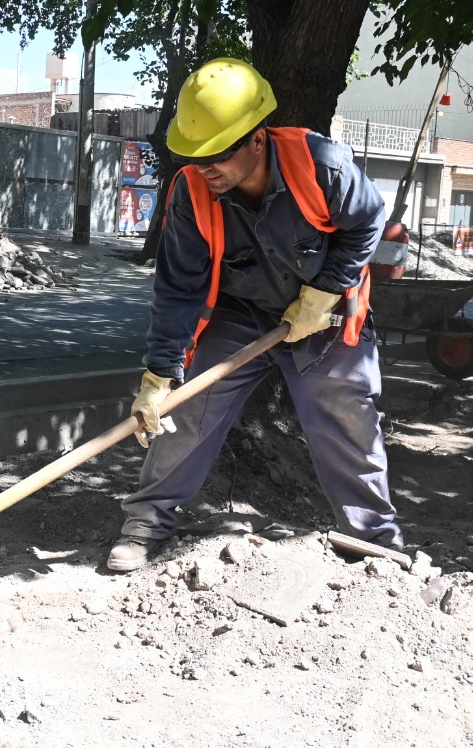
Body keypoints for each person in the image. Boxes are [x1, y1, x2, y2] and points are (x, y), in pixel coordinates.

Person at [108, 58, 404, 572]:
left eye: (218, 154)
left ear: (257, 139)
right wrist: (159, 373)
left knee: (346, 415)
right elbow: (178, 287)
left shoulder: (322, 165)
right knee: (186, 408)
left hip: (324, 317)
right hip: (242, 313)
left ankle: (376, 542)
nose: (206, 167)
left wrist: (324, 292)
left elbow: (368, 222)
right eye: (195, 155)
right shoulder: (190, 193)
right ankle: (146, 521)